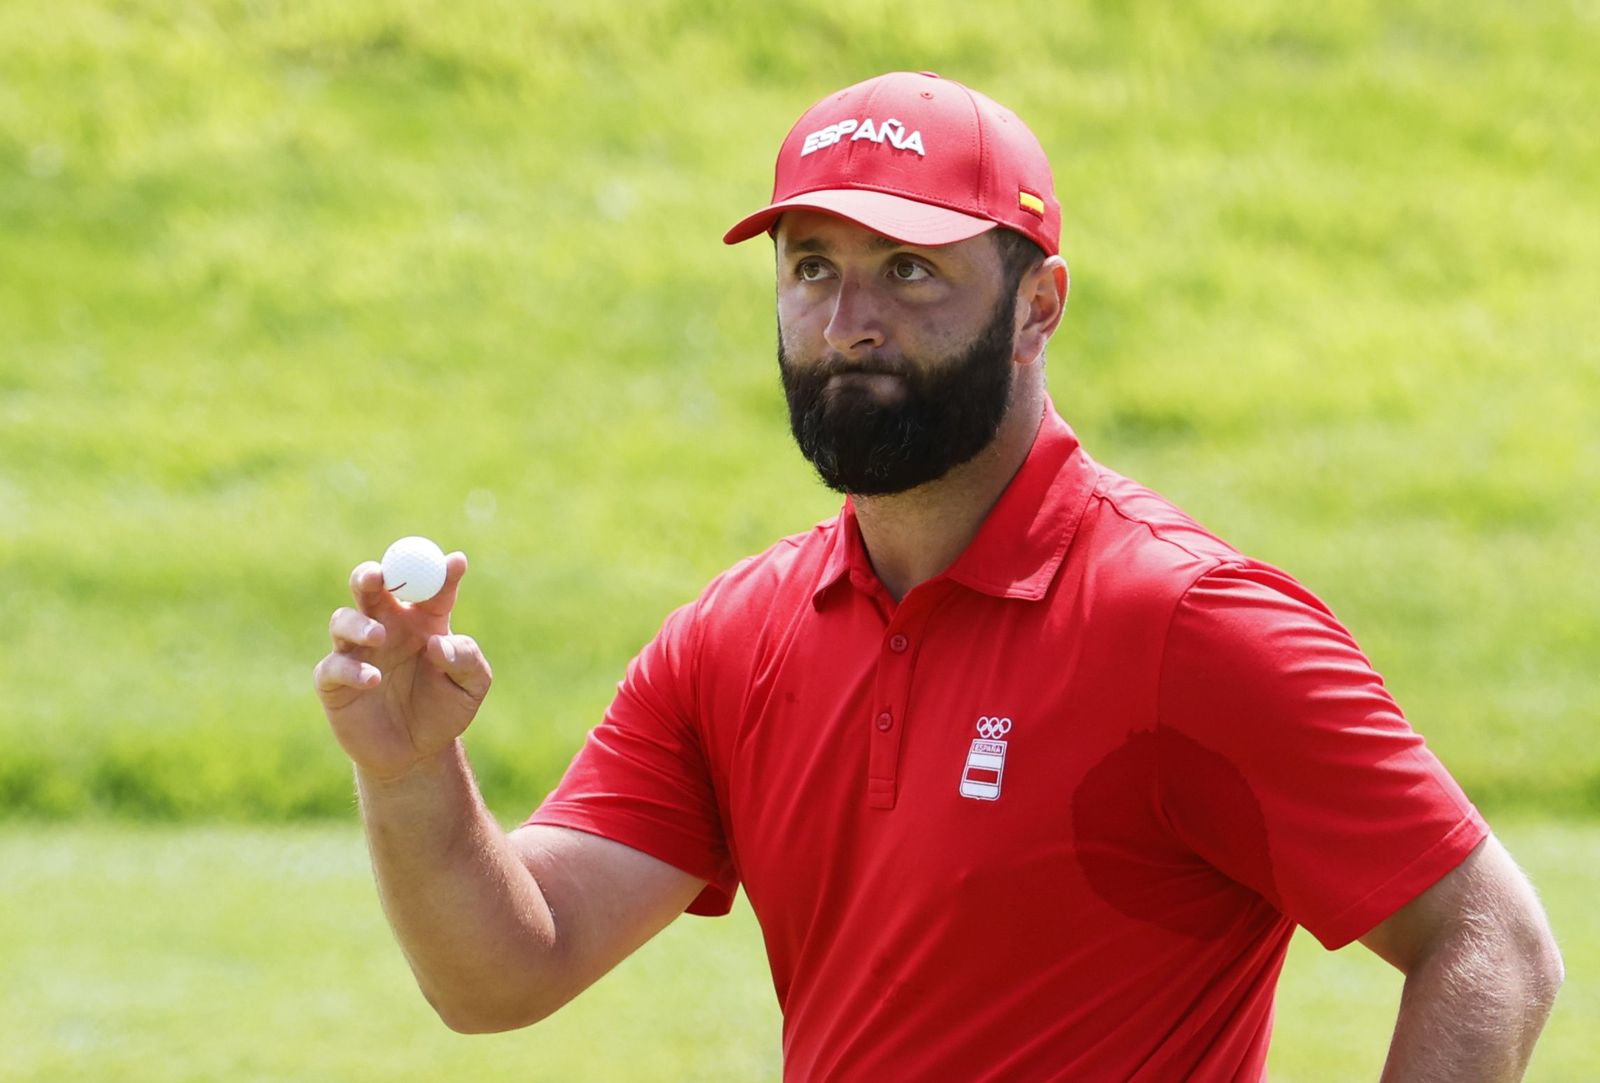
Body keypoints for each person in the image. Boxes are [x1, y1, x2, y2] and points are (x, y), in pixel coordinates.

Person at [314, 72, 1562, 1081]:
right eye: (813, 267)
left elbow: (1491, 943)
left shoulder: (1185, 623)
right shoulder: (736, 639)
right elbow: (504, 975)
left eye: (911, 270)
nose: (851, 317)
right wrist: (412, 776)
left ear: (1038, 306)